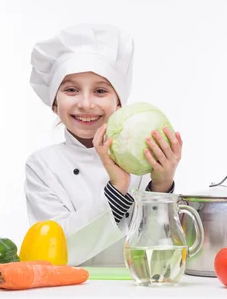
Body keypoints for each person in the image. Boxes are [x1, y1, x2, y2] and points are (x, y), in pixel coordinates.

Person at [24, 23, 183, 267]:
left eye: (100, 90)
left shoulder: (143, 161)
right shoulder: (43, 165)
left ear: (119, 103)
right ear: (54, 103)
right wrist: (117, 188)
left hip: (137, 288)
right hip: (69, 289)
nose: (86, 104)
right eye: (71, 90)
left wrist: (162, 185)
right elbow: (53, 248)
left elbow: (163, 252)